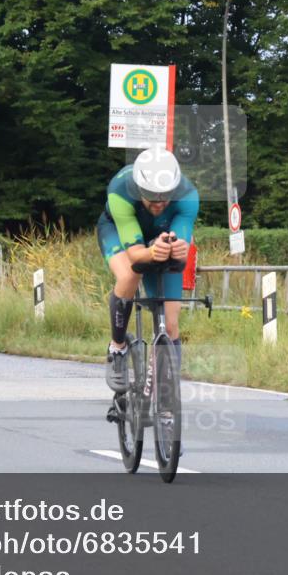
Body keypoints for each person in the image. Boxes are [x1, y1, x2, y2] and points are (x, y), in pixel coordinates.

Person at [97, 147, 199, 394]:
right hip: (117, 231)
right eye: (152, 197)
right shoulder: (120, 191)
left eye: (165, 196)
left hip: (160, 236)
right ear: (139, 189)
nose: (159, 203)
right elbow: (135, 254)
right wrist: (152, 252)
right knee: (130, 274)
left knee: (171, 325)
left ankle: (166, 393)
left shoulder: (188, 196)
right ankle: (117, 347)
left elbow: (181, 249)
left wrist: (176, 249)